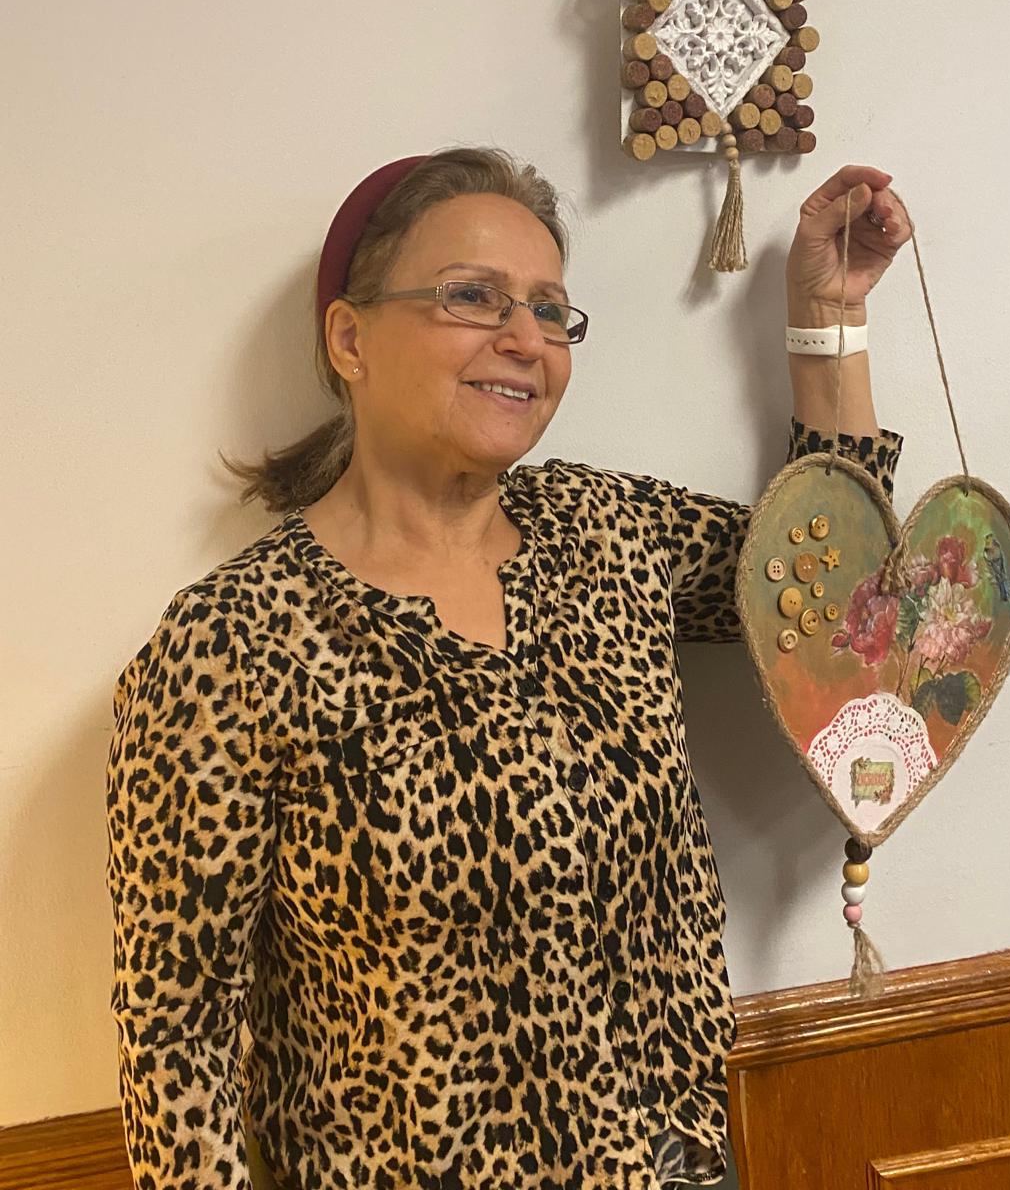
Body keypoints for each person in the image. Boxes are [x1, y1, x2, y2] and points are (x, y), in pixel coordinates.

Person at [105, 146, 911, 1190]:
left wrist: (828, 318)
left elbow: (836, 593)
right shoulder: (228, 647)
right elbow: (178, 1045)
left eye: (549, 309)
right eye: (472, 296)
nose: (525, 338)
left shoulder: (609, 533)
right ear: (349, 338)